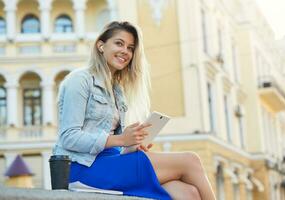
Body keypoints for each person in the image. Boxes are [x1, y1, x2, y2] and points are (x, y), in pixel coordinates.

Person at [53, 21, 216, 200]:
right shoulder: (79, 80)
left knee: (187, 192)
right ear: (101, 45)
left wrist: (131, 145)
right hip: (82, 168)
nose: (126, 51)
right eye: (119, 43)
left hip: (110, 162)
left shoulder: (117, 91)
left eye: (130, 48)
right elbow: (68, 137)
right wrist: (121, 139)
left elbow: (113, 145)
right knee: (190, 161)